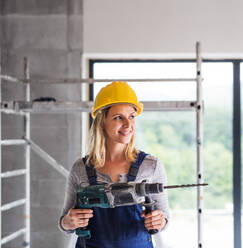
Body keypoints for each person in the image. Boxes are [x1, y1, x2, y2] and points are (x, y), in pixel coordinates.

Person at [59, 81, 169, 248]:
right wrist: (68, 222)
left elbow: (165, 218)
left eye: (131, 116)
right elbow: (64, 222)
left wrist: (159, 221)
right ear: (102, 121)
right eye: (118, 117)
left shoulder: (150, 166)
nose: (127, 124)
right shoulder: (80, 168)